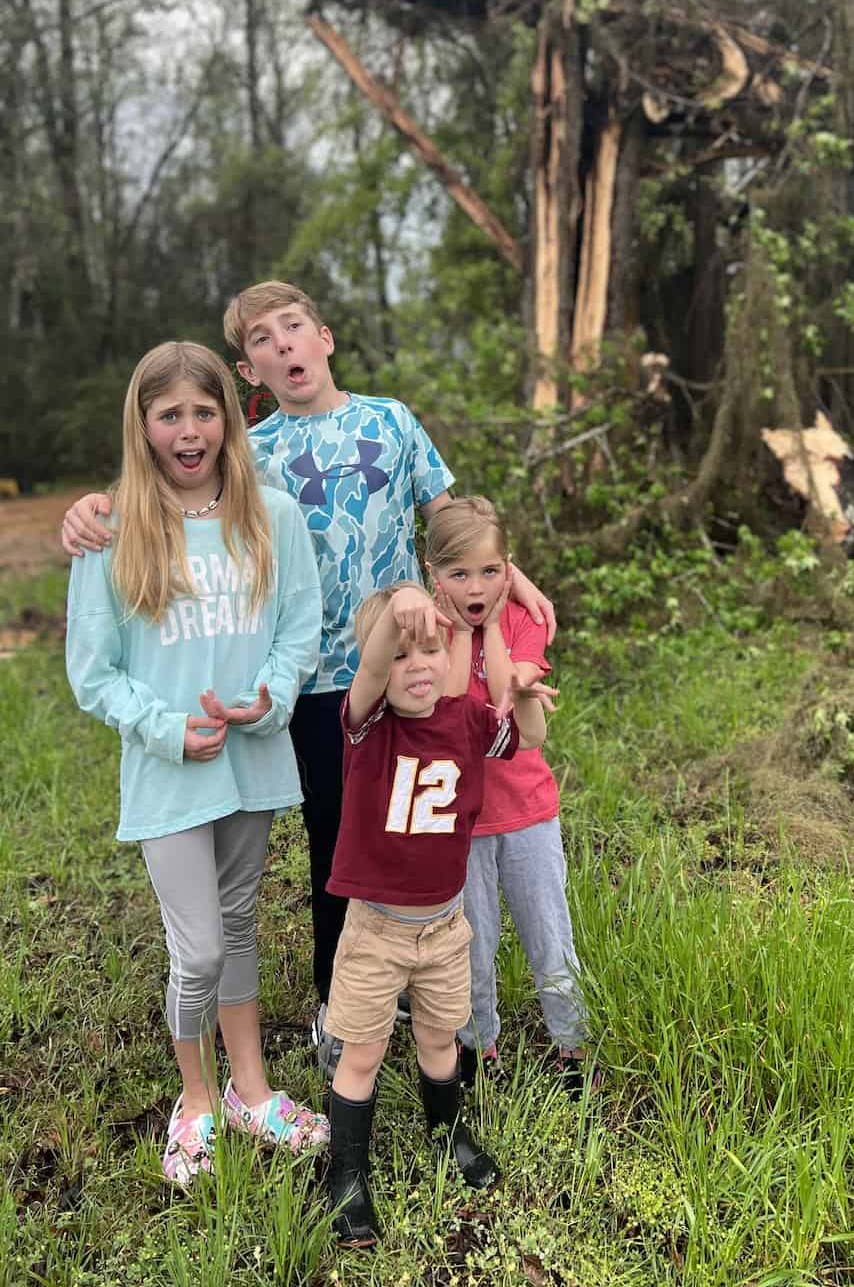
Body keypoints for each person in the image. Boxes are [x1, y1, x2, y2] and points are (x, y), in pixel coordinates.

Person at [59, 281, 556, 1072]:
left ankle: (436, 994)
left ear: (325, 337)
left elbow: (452, 522)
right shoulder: (250, 453)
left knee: (423, 824)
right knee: (341, 845)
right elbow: (167, 496)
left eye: (294, 328)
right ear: (246, 370)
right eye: (262, 338)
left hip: (409, 669)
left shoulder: (391, 421)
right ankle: (341, 1006)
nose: (283, 345)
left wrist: (511, 576)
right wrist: (93, 510)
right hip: (311, 684)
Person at [65, 342, 328, 1186]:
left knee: (242, 923)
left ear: (230, 419)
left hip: (251, 758)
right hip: (169, 771)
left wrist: (269, 696)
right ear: (143, 425)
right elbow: (92, 671)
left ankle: (251, 1090)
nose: (188, 431)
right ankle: (197, 1099)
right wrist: (168, 728)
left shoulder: (272, 515)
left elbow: (299, 625)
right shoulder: (112, 530)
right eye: (170, 414)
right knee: (201, 952)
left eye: (203, 413)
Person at [324, 582, 557, 1247]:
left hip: (446, 928)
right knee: (364, 1053)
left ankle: (449, 1136)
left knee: (439, 1041)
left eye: (431, 650)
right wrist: (397, 615)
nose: (418, 666)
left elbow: (528, 737)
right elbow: (369, 670)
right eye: (403, 656)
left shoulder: (466, 720)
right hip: (377, 930)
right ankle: (348, 1174)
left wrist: (529, 701)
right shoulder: (368, 728)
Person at [426, 497, 592, 1096]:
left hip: (526, 813)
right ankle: (477, 1046)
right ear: (433, 575)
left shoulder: (525, 621)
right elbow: (449, 716)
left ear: (509, 570)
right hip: (461, 822)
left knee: (550, 934)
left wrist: (494, 629)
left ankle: (572, 1045)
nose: (476, 586)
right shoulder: (433, 631)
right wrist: (467, 632)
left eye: (490, 572)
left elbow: (504, 717)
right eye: (459, 574)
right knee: (472, 945)